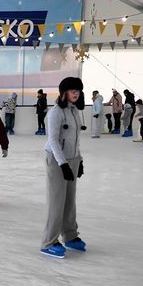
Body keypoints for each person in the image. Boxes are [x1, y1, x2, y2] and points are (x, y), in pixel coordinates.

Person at [40, 77, 86, 258]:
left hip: (72, 160)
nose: (76, 93)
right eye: (72, 90)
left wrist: (79, 160)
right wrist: (63, 164)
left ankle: (70, 235)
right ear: (64, 92)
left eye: (78, 90)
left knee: (69, 200)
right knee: (56, 202)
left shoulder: (74, 111)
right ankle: (48, 241)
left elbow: (75, 139)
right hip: (57, 161)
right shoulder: (56, 112)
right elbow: (53, 140)